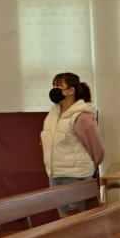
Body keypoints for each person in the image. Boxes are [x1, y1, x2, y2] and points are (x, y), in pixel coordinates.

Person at [41, 71, 104, 215]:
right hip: (55, 175)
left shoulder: (82, 116)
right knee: (64, 220)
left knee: (85, 218)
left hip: (77, 176)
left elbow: (98, 148)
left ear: (70, 90)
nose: (54, 90)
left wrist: (88, 167)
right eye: (53, 86)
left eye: (58, 86)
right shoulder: (53, 115)